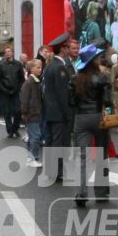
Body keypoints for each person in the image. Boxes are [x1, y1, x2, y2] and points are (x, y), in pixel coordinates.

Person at [70, 44, 113, 206]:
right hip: (98, 117)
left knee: (82, 157)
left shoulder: (75, 79)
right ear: (94, 60)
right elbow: (108, 101)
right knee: (102, 155)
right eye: (98, 57)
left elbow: (70, 101)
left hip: (81, 118)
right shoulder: (102, 77)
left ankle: (81, 193)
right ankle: (101, 193)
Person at [41, 34, 76, 184]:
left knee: (51, 141)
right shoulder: (60, 68)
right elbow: (63, 94)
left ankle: (51, 171)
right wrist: (69, 113)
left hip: (50, 111)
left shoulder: (51, 65)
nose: (70, 49)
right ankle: (56, 172)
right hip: (60, 113)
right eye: (68, 47)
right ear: (63, 49)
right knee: (59, 142)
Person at [0, 44, 26, 138]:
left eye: (9, 51)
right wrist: (3, 89)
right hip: (5, 91)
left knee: (18, 111)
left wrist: (18, 88)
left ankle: (15, 128)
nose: (7, 53)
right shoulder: (2, 65)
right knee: (6, 111)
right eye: (6, 52)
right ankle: (10, 130)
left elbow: (21, 78)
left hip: (15, 91)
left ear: (12, 53)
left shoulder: (18, 64)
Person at [20, 58, 45, 166]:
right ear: (31, 69)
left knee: (33, 136)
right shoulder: (29, 82)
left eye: (41, 67)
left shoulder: (36, 81)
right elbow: (24, 99)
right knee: (36, 136)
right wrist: (25, 113)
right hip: (32, 113)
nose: (40, 69)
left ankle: (31, 158)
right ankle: (32, 158)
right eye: (38, 67)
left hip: (35, 112)